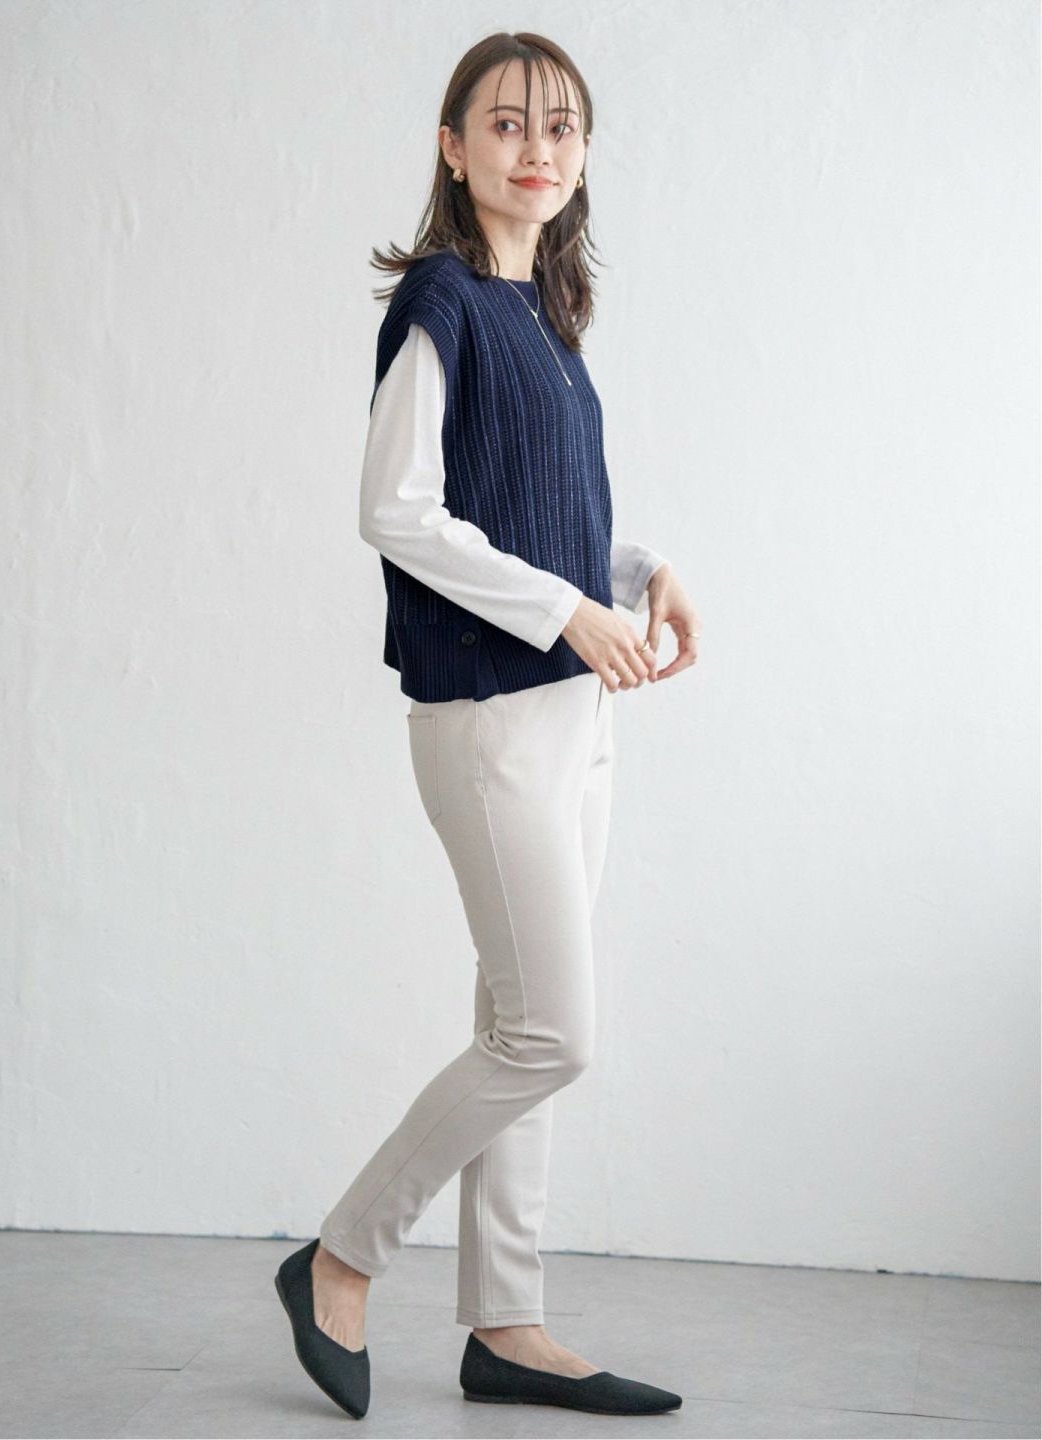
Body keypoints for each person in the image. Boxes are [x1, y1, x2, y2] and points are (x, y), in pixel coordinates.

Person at [274, 31, 702, 1421]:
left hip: (577, 712)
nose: (538, 148)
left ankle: (506, 1326)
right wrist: (566, 612)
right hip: (491, 715)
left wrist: (637, 574)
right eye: (507, 123)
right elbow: (396, 511)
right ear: (453, 149)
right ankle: (344, 1256)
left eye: (562, 127)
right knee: (551, 1034)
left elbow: (533, 514)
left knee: (518, 1022)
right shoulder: (444, 303)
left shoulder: (549, 320)